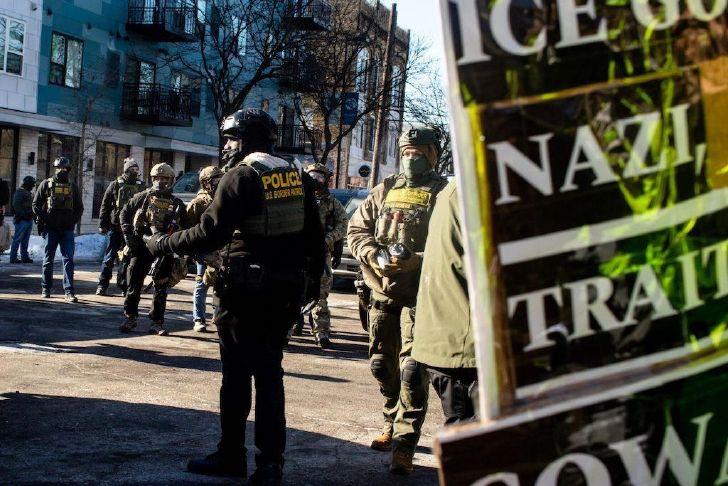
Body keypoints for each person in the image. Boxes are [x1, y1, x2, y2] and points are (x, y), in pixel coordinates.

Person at [145, 108, 324, 485]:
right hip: (285, 290)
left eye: (229, 138)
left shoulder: (241, 176)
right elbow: (315, 237)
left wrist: (162, 243)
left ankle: (231, 456)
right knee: (271, 375)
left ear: (245, 139)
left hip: (244, 292)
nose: (225, 145)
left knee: (237, 376)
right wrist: (309, 284)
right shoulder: (297, 176)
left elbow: (209, 233)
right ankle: (271, 465)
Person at [347, 127, 448, 474]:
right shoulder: (385, 189)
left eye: (418, 152)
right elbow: (357, 230)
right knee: (381, 365)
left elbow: (455, 243)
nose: (410, 158)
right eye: (406, 152)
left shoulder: (444, 194)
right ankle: (390, 420)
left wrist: (416, 260)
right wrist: (373, 255)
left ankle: (404, 446)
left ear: (433, 154)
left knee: (412, 370)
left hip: (422, 295)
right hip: (382, 291)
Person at [412, 181, 478, 424]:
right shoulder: (477, 190)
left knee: (466, 431)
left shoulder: (453, 190)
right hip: (466, 346)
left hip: (450, 341)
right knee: (480, 436)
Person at [119, 162, 189, 336]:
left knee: (161, 286)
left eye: (164, 178)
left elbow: (186, 227)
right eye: (157, 178)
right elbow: (124, 214)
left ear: (171, 180)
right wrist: (129, 238)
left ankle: (157, 322)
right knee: (134, 283)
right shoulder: (142, 198)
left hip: (163, 249)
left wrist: (177, 246)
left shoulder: (177, 204)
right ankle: (130, 317)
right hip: (141, 247)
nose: (160, 182)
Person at [295, 163, 348, 348]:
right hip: (299, 253)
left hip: (321, 254)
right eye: (312, 177)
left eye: (320, 177)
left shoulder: (332, 203)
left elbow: (343, 225)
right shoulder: (298, 198)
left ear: (326, 180)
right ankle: (290, 328)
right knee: (295, 290)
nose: (316, 180)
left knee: (320, 294)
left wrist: (328, 240)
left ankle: (321, 333)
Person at [33, 157, 83, 302]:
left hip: (67, 229)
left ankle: (69, 292)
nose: (62, 170)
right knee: (48, 259)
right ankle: (46, 288)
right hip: (51, 229)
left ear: (68, 169)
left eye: (64, 168)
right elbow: (35, 205)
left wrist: (72, 220)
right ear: (55, 169)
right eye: (59, 168)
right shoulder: (46, 184)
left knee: (68, 260)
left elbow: (79, 208)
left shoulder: (72, 186)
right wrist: (46, 219)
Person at [96, 157, 146, 295]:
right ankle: (102, 285)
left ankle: (124, 287)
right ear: (127, 170)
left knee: (127, 259)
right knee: (109, 258)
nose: (136, 172)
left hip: (131, 229)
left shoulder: (141, 186)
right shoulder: (115, 185)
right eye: (133, 169)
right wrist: (103, 224)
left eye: (137, 169)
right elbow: (105, 205)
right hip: (115, 227)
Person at [187, 165, 223, 332]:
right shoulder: (199, 202)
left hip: (221, 248)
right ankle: (198, 318)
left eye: (220, 179)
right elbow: (189, 227)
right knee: (202, 283)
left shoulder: (223, 198)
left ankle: (217, 316)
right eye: (214, 180)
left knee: (220, 284)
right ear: (205, 183)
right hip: (204, 249)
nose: (218, 183)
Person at [9, 176, 36, 263]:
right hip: (22, 219)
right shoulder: (20, 192)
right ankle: (13, 258)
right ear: (28, 184)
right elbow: (16, 205)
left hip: (28, 219)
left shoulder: (28, 192)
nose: (33, 186)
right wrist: (23, 215)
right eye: (32, 184)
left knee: (25, 240)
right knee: (17, 239)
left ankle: (24, 257)